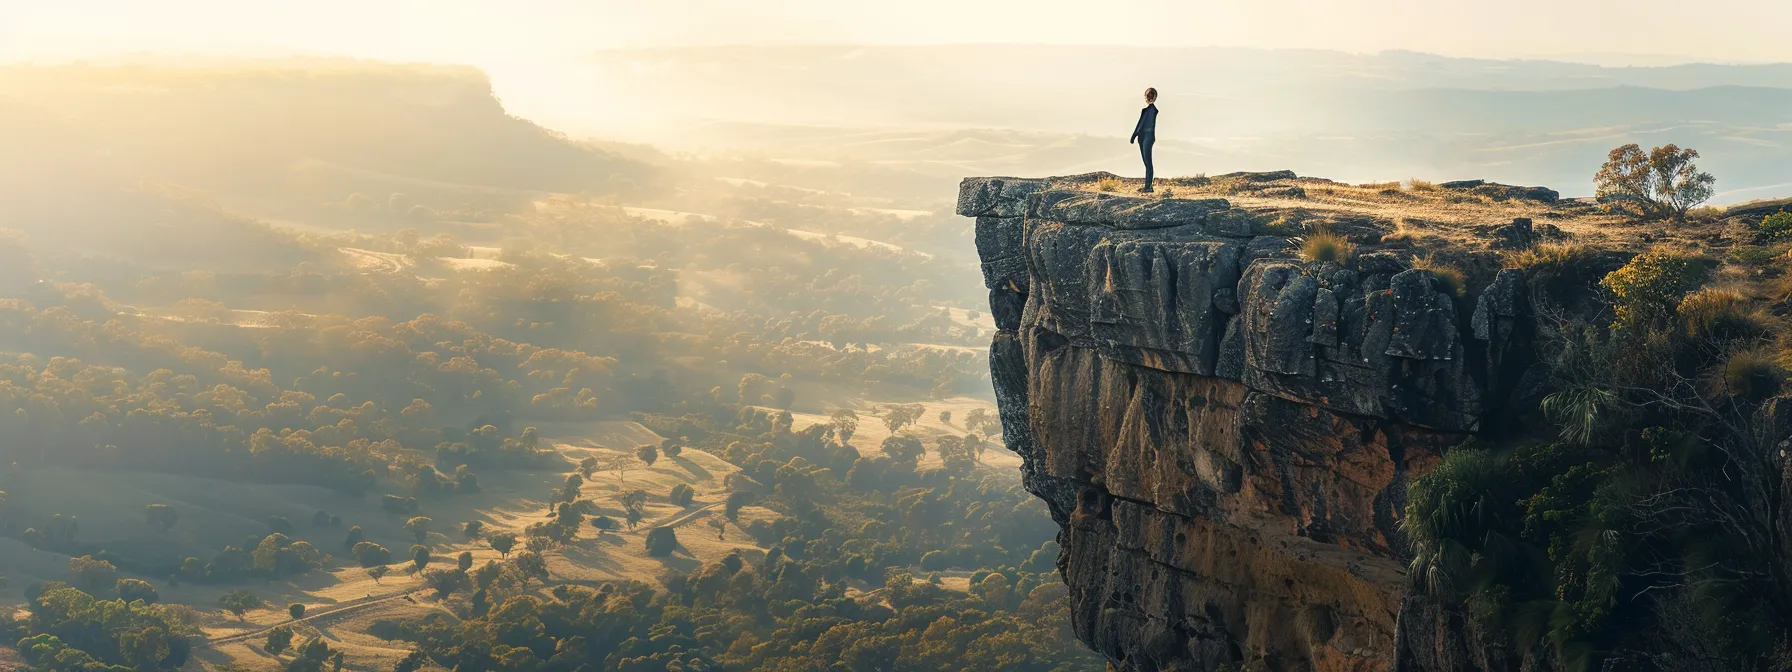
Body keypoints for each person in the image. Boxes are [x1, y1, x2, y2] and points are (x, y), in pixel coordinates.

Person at [1130, 88, 1159, 192]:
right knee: (1146, 162)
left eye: (1150, 96)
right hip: (1142, 137)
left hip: (1148, 136)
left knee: (1148, 162)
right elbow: (1140, 124)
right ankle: (1147, 185)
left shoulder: (1152, 110)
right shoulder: (1146, 110)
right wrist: (1134, 135)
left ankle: (1148, 187)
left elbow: (1142, 124)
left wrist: (1134, 135)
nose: (1148, 98)